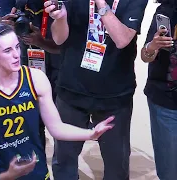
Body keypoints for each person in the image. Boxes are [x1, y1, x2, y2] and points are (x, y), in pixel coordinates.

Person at [0, 23, 115, 180]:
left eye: (17, 47)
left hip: (35, 171)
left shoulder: (36, 78)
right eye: (8, 50)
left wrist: (90, 134)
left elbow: (56, 127)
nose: (17, 54)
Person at [44, 0, 148, 179]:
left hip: (115, 95)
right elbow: (59, 39)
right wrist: (60, 18)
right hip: (71, 89)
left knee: (117, 164)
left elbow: (122, 39)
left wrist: (100, 3)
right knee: (64, 159)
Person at [0, 0, 62, 148]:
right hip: (28, 57)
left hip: (58, 60)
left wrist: (42, 42)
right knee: (32, 115)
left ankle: (62, 164)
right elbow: (3, 26)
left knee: (60, 116)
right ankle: (37, 161)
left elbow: (67, 45)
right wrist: (7, 29)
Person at [141, 0, 177, 179]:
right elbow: (145, 55)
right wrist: (153, 46)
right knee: (169, 171)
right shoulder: (166, 11)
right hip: (166, 104)